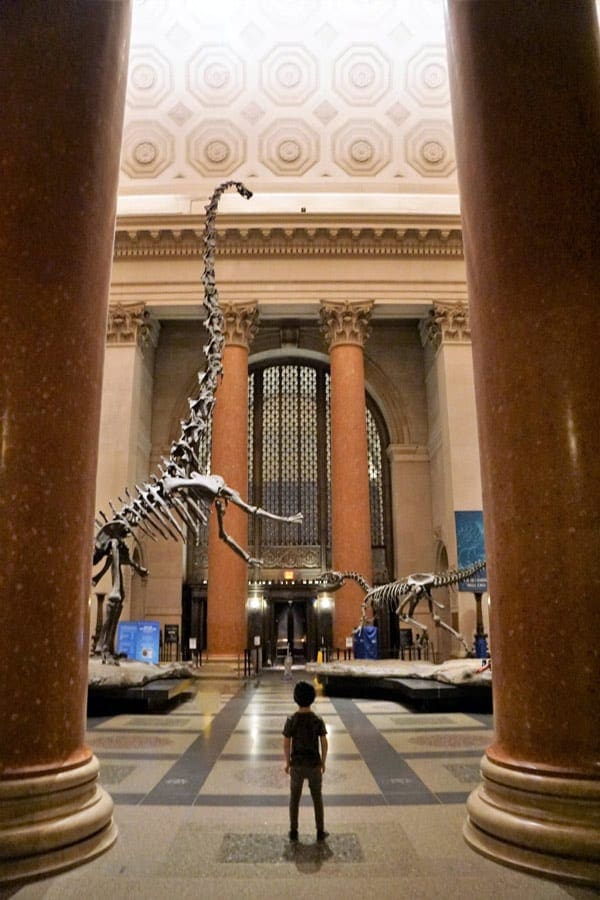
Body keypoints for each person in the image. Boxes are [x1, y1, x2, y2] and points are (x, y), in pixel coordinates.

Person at [282, 680, 329, 842]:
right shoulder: (317, 720)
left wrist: (287, 762)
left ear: (295, 698)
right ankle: (320, 830)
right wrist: (323, 761)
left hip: (297, 765)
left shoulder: (291, 720)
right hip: (314, 765)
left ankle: (293, 829)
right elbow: (324, 742)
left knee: (294, 798)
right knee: (317, 798)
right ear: (313, 698)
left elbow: (286, 742)